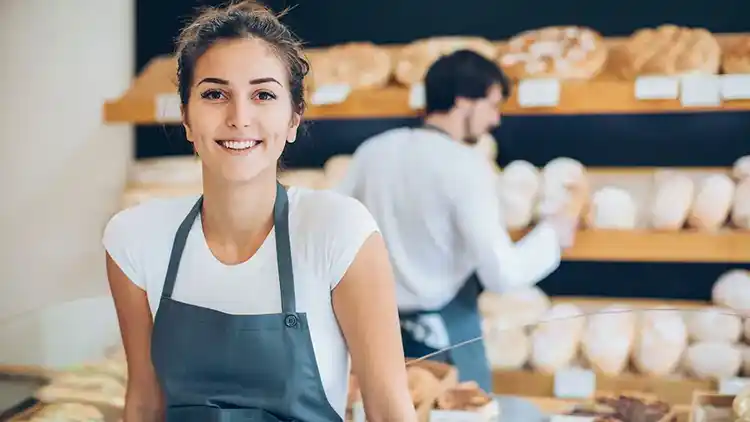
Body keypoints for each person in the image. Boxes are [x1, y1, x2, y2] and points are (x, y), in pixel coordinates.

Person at [103, 2, 417, 421]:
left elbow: (388, 410)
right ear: (186, 118)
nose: (239, 117)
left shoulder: (338, 231)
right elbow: (144, 403)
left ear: (293, 119)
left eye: (263, 94)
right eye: (215, 94)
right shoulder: (135, 239)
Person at [335, 50, 587, 392]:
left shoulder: (372, 151)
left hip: (374, 334)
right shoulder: (465, 166)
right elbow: (502, 274)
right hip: (444, 341)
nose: (495, 120)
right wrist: (553, 234)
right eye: (493, 105)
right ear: (464, 101)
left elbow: (337, 235)